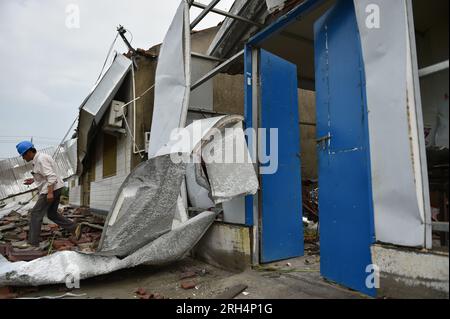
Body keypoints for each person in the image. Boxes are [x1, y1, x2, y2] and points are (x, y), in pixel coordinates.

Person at [16, 141, 81, 247]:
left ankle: (33, 243)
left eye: (23, 155)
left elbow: (51, 177)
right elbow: (44, 174)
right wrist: (33, 180)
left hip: (50, 190)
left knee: (36, 214)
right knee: (52, 214)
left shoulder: (41, 160)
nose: (23, 158)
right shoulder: (39, 159)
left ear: (28, 152)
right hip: (56, 188)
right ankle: (74, 227)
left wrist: (50, 193)